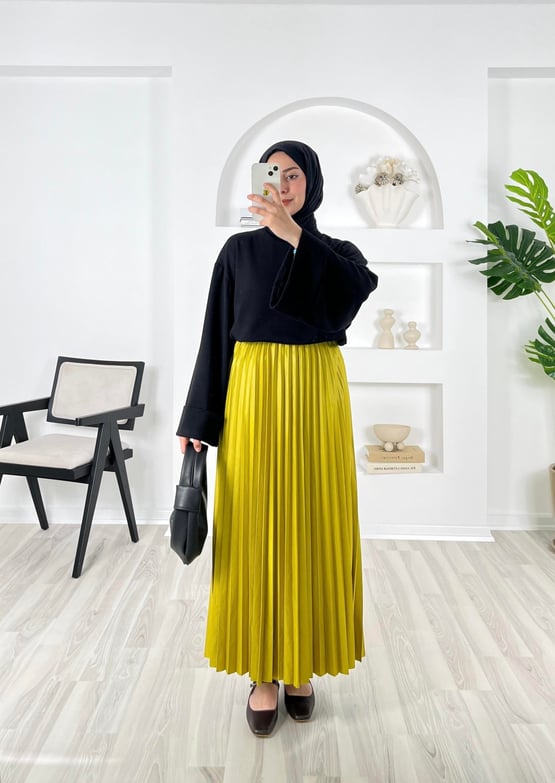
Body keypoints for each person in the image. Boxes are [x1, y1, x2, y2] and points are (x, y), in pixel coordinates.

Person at [177, 140, 378, 737]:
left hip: (317, 393)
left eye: (294, 176)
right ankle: (263, 672)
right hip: (254, 392)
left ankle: (301, 666)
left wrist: (293, 236)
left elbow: (351, 297)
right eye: (274, 174)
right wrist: (197, 419)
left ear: (311, 184)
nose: (283, 185)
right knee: (253, 524)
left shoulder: (338, 253)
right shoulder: (237, 251)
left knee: (315, 523)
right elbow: (216, 333)